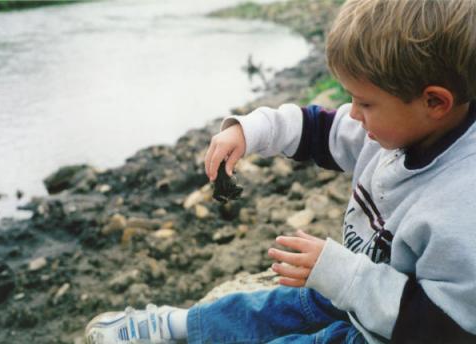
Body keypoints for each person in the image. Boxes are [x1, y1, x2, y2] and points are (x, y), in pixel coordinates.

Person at [85, 0, 476, 343]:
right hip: (362, 288)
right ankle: (184, 326)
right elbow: (317, 129)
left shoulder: (461, 207)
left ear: (434, 101)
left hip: (394, 329)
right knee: (282, 304)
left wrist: (346, 277)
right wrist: (249, 131)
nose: (353, 115)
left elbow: (449, 328)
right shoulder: (401, 127)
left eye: (365, 103)